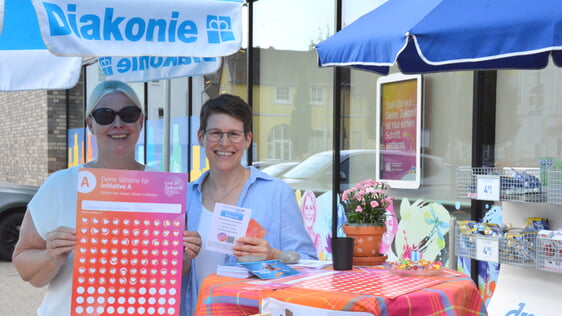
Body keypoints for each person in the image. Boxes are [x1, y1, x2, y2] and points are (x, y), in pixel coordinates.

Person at [12, 80, 202, 316]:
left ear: (141, 121)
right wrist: (51, 256)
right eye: (105, 115)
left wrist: (183, 256)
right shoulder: (60, 185)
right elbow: (24, 265)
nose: (118, 123)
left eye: (128, 114)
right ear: (90, 123)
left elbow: (174, 271)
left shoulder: (163, 190)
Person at [183, 94, 317, 316]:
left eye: (234, 134)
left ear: (247, 140)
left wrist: (274, 255)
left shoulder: (276, 193)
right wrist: (181, 259)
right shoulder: (185, 197)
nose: (224, 143)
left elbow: (310, 265)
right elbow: (172, 275)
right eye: (216, 133)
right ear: (201, 137)